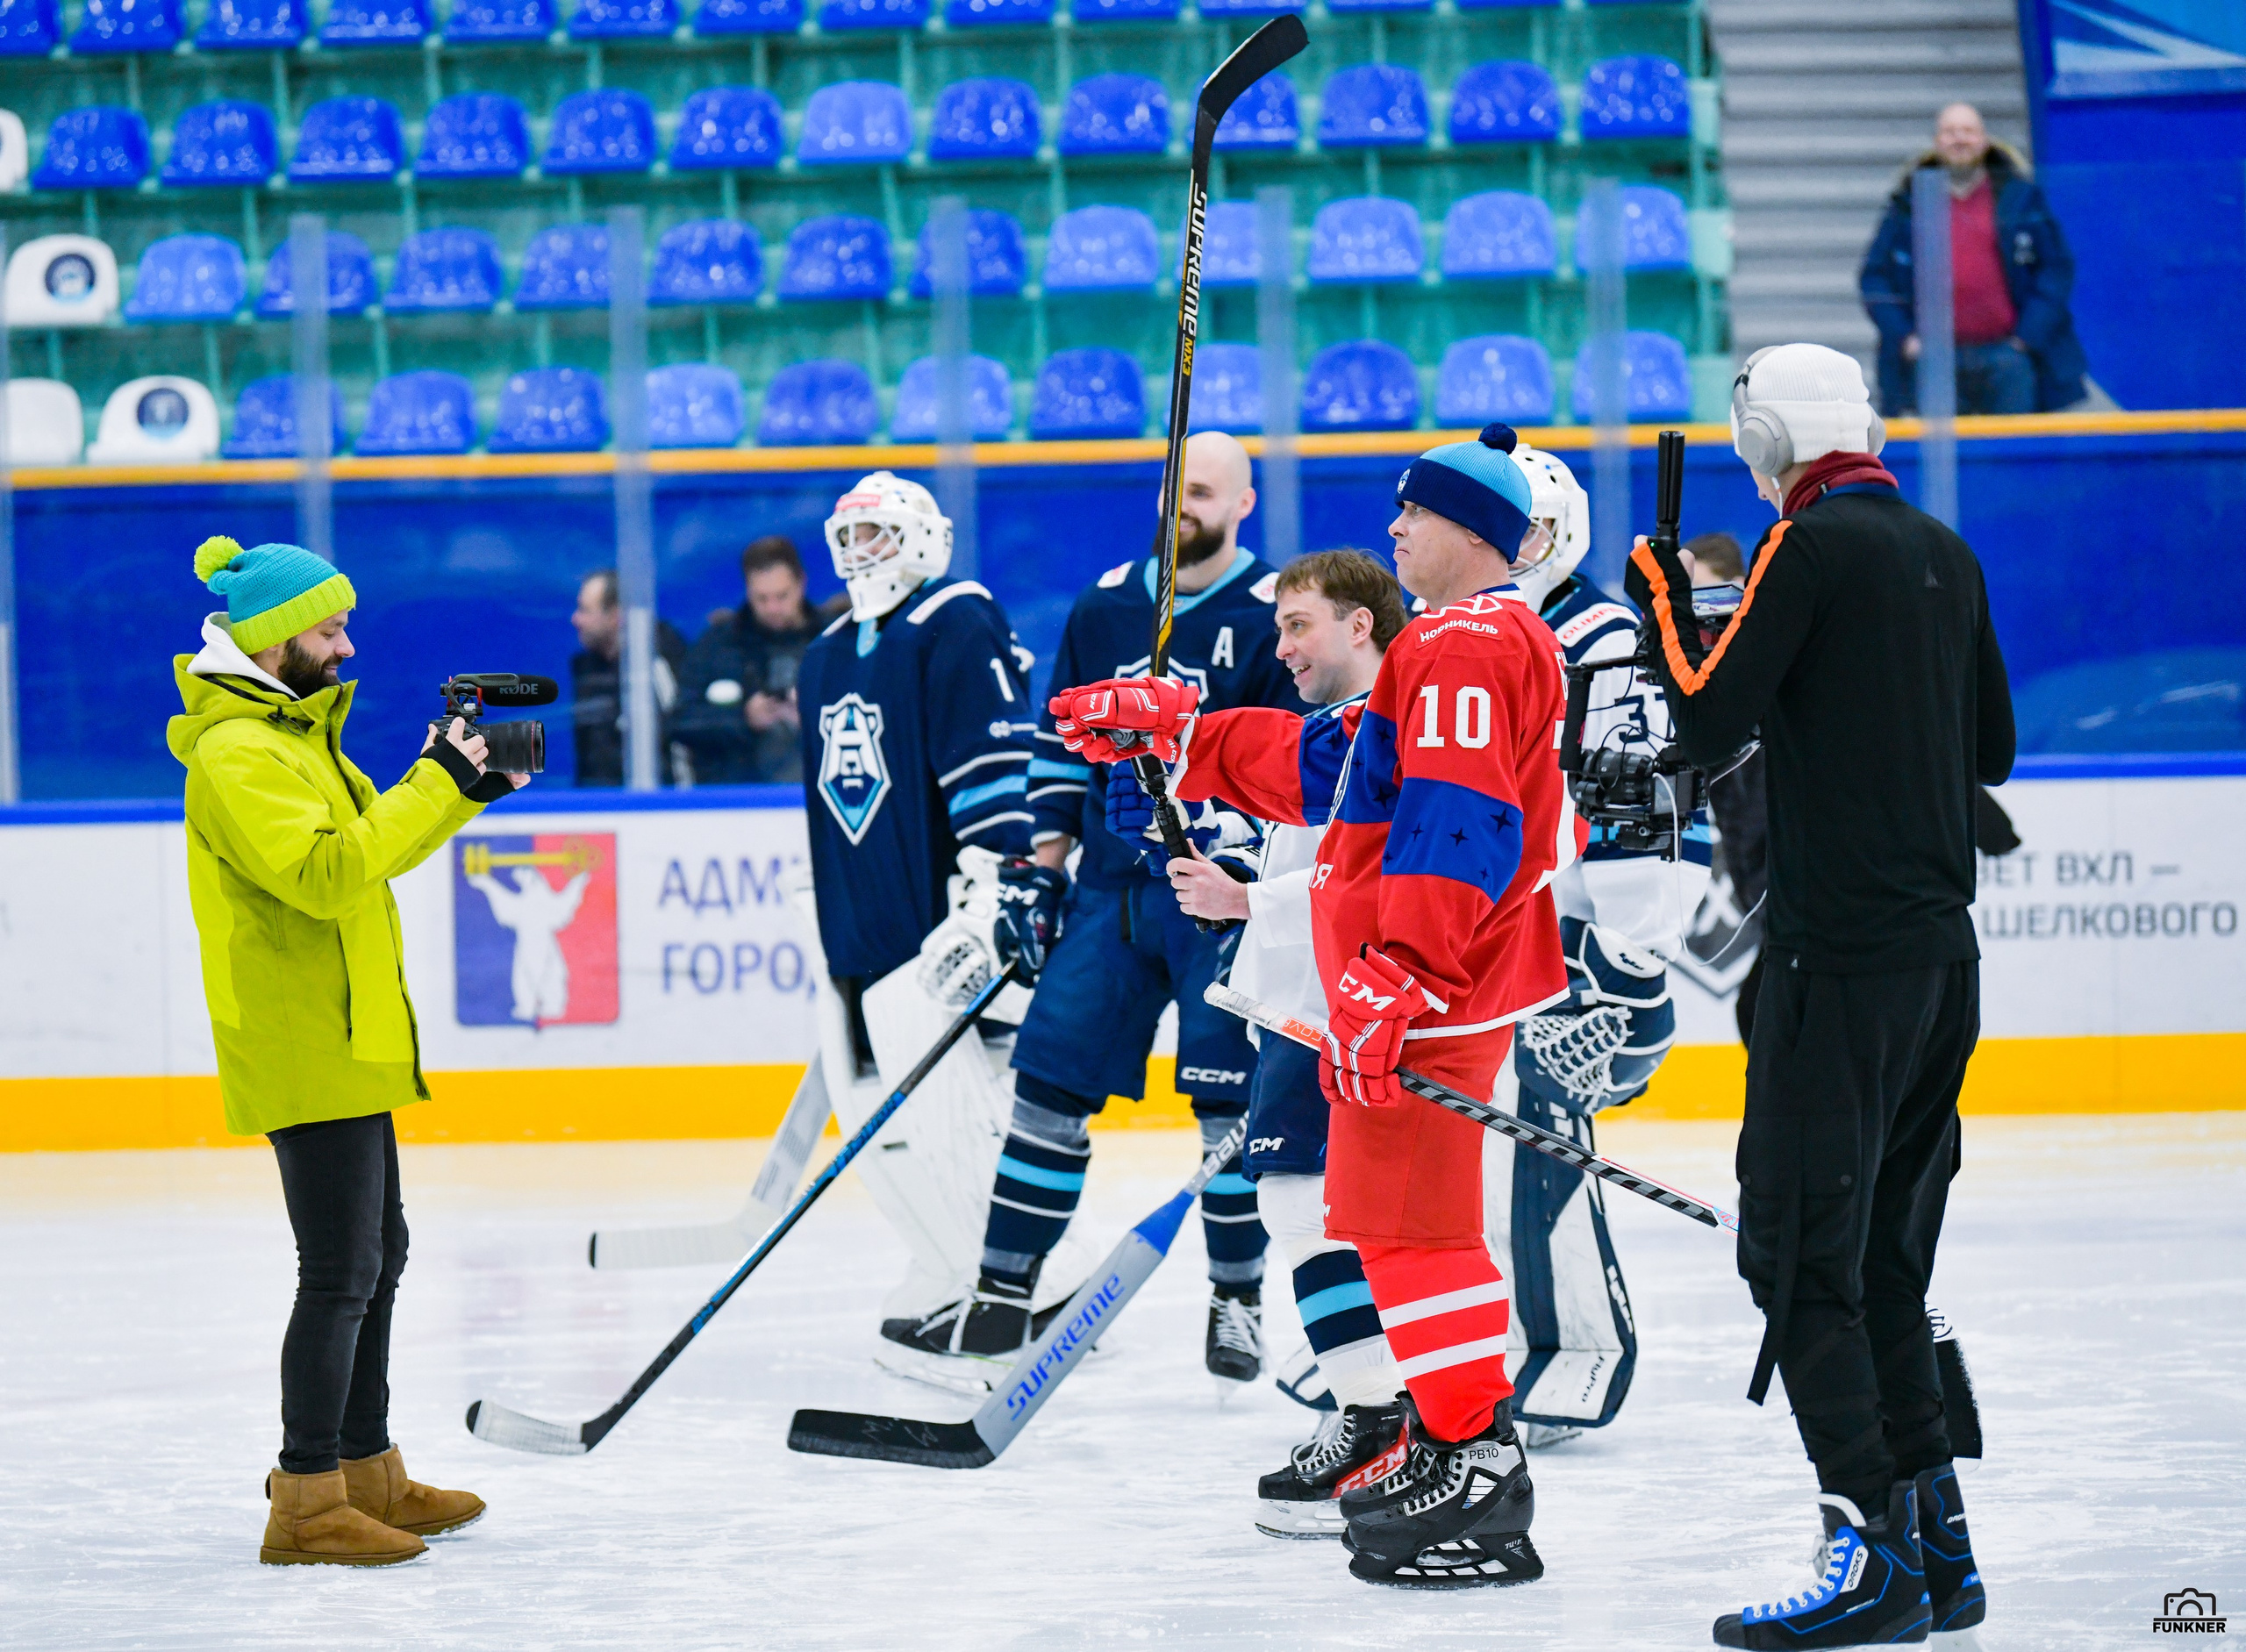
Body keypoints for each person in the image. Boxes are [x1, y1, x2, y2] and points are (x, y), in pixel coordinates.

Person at [1054, 422, 1574, 1589]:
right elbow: (1330, 768)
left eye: (1414, 511)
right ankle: (1459, 1442)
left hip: (1430, 989)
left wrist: (1402, 968)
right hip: (1434, 984)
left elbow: (1456, 823)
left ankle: (1475, 1461)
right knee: (1399, 1225)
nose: (1395, 528)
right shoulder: (1449, 642)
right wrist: (1184, 737)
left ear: (1471, 528)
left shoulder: (1467, 644)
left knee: (1411, 1230)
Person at [1625, 343, 2012, 1646]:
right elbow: (1994, 745)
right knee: (1884, 1261)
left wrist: (1660, 596)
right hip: (1940, 966)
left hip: (1832, 963)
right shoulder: (1944, 551)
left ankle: (1869, 1550)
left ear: (1767, 439)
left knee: (1794, 1257)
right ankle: (1936, 1544)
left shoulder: (1805, 545)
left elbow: (1701, 714)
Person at [883, 431, 1305, 1386]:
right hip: (1109, 895)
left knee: (1228, 1104)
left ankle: (1236, 1297)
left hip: (1218, 900)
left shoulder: (1275, 613)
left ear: (1244, 504)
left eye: (1204, 492)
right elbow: (1058, 746)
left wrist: (1252, 877)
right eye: (1174, 487)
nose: (1182, 505)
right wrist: (1039, 868)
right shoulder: (1106, 602)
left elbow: (1294, 760)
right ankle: (1001, 1292)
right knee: (1047, 1086)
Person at [168, 535, 526, 1567]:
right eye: (329, 629)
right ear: (274, 640)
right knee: (337, 1269)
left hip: (347, 1028)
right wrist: (434, 780)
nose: (346, 645)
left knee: (379, 1252)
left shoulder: (297, 736)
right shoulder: (240, 752)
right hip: (300, 1034)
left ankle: (367, 1471)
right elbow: (326, 877)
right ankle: (306, 1496)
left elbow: (374, 849)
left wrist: (458, 785)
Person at [1150, 548, 1413, 1534]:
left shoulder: (1388, 724)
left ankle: (1394, 1419)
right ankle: (1376, 1413)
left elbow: (1379, 874)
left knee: (1344, 1215)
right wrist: (1226, 872)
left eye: (1299, 625)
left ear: (1360, 623)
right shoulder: (1333, 728)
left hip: (1358, 1006)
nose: (1283, 647)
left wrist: (1247, 899)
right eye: (1278, 629)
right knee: (1302, 1206)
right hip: (1307, 1007)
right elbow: (1307, 845)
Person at [793, 471, 1069, 1355]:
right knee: (889, 1110)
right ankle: (948, 1257)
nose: (859, 553)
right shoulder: (824, 651)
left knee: (965, 1100)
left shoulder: (956, 615)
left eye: (876, 533)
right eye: (848, 537)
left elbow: (991, 760)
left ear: (921, 537)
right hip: (865, 918)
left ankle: (1023, 1274)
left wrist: (996, 878)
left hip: (943, 914)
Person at [1482, 440, 1712, 1446]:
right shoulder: (1456, 628)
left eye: (1525, 529)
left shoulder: (1603, 637)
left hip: (1563, 945)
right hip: (1473, 936)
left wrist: (1626, 970)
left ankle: (1564, 1345)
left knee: (1530, 1150)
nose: (1508, 547)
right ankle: (1460, 1346)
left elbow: (1648, 808)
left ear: (1563, 530)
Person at [1860, 102, 2087, 418]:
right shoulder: (1908, 205)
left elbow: (2056, 269)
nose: (1960, 139)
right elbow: (1874, 277)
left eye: (1968, 131)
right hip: (1934, 361)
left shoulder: (2020, 199)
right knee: (1938, 449)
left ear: (1984, 141)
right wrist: (1905, 338)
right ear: (1937, 142)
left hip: (2008, 359)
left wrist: (2026, 338)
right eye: (1950, 132)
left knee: (2013, 447)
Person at [1684, 531, 1772, 1047]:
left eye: (1707, 594)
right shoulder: (1697, 683)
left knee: (1759, 1012)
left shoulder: (1771, 668)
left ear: (1740, 588)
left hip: (1795, 886)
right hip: (1756, 881)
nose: (1698, 611)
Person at [673, 536, 824, 784]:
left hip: (822, 789)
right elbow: (680, 721)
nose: (773, 608)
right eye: (762, 598)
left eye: (782, 596)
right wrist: (744, 718)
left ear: (801, 584)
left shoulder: (831, 641)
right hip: (738, 795)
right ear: (747, 590)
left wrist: (817, 715)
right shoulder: (718, 645)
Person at [568, 569, 688, 787]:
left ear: (616, 616)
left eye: (585, 610)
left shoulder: (657, 660)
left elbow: (679, 738)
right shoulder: (588, 669)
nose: (575, 619)